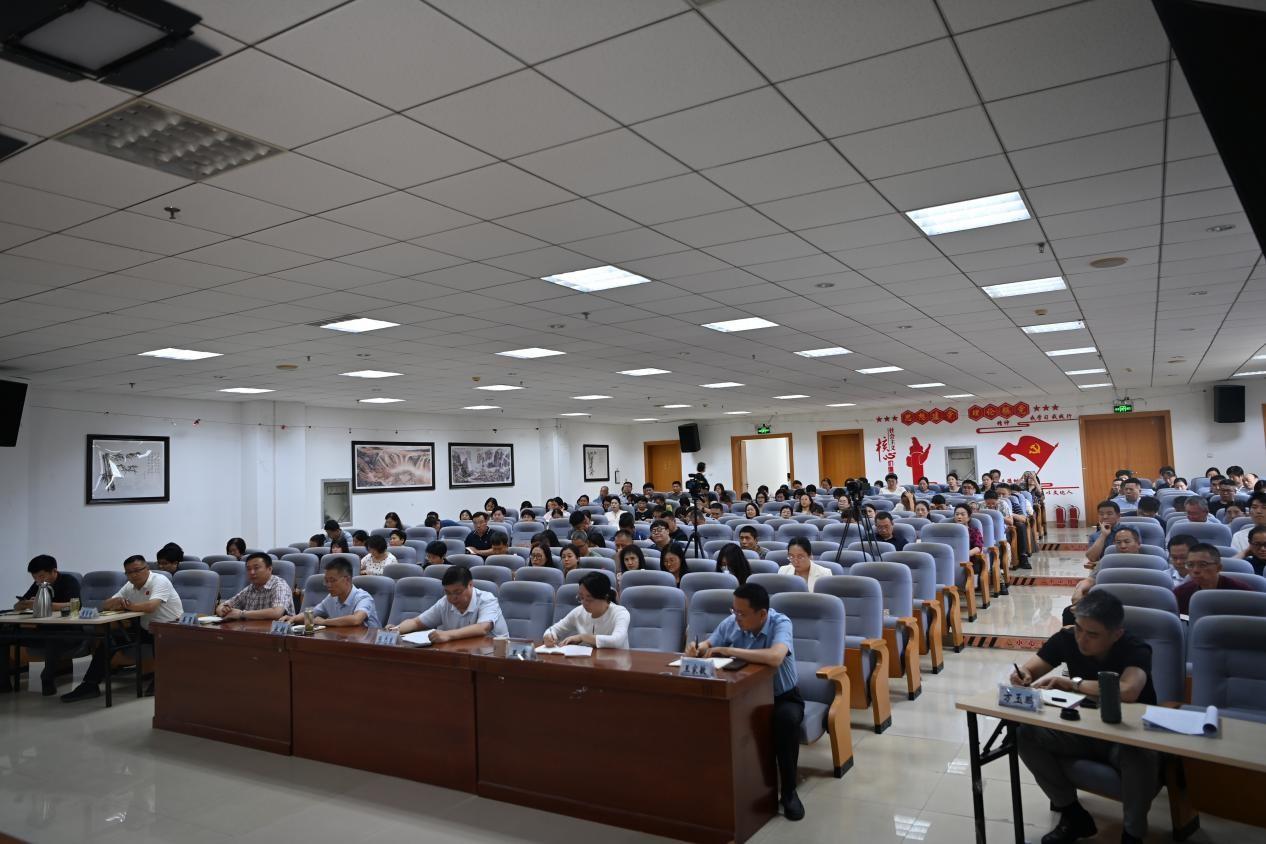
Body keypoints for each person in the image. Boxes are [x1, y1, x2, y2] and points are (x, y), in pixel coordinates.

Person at [1012, 590, 1158, 844]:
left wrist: (1073, 684)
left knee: (1139, 755)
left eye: (1093, 634)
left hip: (1127, 735)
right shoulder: (1067, 638)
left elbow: (1128, 690)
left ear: (1116, 634)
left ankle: (1132, 834)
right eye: (1079, 629)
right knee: (1025, 735)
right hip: (1084, 729)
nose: (1082, 639)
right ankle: (1073, 816)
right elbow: (1031, 669)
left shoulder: (1135, 647)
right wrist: (1023, 674)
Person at [688, 583, 803, 820]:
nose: (736, 617)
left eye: (742, 613)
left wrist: (728, 651)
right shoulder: (732, 622)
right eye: (734, 611)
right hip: (746, 696)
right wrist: (697, 649)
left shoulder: (781, 623)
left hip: (782, 698)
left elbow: (775, 657)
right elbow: (709, 645)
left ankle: (789, 792)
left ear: (762, 614)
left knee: (786, 721)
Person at [62, 554, 184, 702]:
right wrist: (117, 601)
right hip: (145, 628)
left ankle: (161, 680)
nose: (134, 575)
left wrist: (127, 606)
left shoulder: (159, 580)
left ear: (147, 569)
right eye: (129, 572)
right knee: (110, 639)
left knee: (159, 636)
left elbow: (151, 606)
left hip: (170, 628)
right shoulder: (129, 585)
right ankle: (90, 685)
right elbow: (106, 604)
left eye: (137, 570)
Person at [12, 555, 82, 695]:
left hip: (69, 633)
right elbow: (17, 606)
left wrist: (41, 604)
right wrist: (23, 604)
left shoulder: (69, 581)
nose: (38, 580)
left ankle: (47, 679)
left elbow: (74, 605)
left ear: (54, 571)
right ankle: (3, 681)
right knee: (5, 634)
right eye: (35, 577)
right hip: (43, 631)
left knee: (53, 638)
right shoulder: (38, 584)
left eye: (41, 576)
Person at [390, 565, 507, 640]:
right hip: (462, 652)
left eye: (457, 592)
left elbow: (483, 628)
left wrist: (447, 634)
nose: (452, 598)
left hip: (494, 654)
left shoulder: (487, 599)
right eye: (448, 592)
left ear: (470, 585)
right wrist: (395, 630)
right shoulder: (444, 602)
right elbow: (416, 622)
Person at [543, 572, 629, 648]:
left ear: (605, 597)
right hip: (588, 660)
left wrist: (582, 637)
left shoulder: (620, 613)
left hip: (616, 660)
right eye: (581, 597)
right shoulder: (579, 612)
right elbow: (553, 629)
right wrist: (549, 636)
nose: (583, 603)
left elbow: (617, 641)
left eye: (589, 599)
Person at [286, 558, 378, 627]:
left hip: (368, 644)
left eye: (332, 580)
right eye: (326, 581)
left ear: (347, 579)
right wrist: (293, 618)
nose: (328, 585)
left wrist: (324, 622)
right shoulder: (331, 598)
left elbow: (356, 619)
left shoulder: (363, 597)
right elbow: (312, 613)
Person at [1173, 543, 1252, 613]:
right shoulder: (1180, 593)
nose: (1195, 570)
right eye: (1190, 565)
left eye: (1203, 565)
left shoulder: (1242, 593)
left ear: (1218, 568)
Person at [215, 553, 293, 621]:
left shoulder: (280, 585)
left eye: (256, 568)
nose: (252, 572)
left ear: (269, 569)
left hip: (277, 632)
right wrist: (223, 610)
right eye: (249, 569)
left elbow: (277, 612)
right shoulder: (250, 588)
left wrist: (242, 614)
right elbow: (222, 606)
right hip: (252, 630)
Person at [1083, 501, 1122, 565]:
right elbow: (1092, 558)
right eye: (1101, 514)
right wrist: (1103, 535)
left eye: (1109, 514)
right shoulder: (1094, 536)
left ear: (1118, 516)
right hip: (1105, 568)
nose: (1105, 517)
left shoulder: (1131, 530)